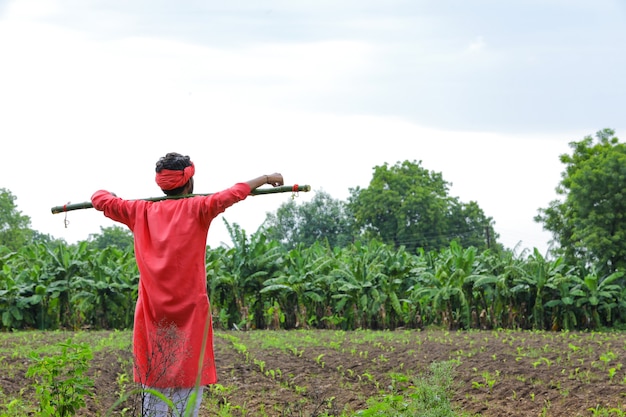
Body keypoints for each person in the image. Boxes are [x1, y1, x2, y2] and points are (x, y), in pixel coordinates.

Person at [91, 152, 284, 416]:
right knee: (189, 379)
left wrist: (111, 194)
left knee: (154, 379)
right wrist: (266, 177)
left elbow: (99, 198)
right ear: (189, 182)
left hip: (151, 313)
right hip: (191, 313)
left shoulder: (138, 211)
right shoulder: (199, 208)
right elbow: (234, 192)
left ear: (161, 184)